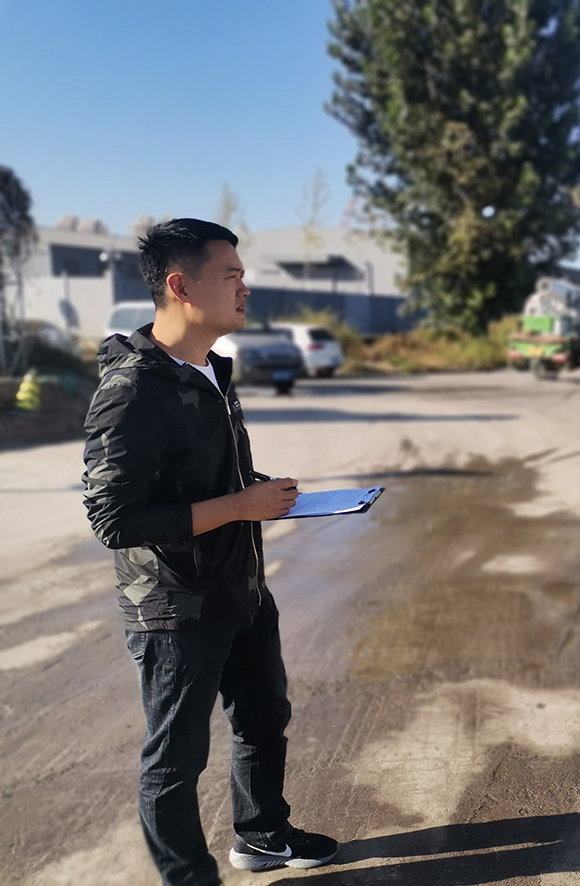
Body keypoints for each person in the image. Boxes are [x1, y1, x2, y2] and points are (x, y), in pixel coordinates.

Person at [82, 218, 337, 885]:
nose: (245, 288)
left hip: (239, 587)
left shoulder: (212, 371)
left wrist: (261, 492)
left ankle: (263, 836)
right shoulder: (133, 389)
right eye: (232, 276)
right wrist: (238, 506)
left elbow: (206, 480)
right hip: (175, 606)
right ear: (181, 285)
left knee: (263, 719)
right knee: (175, 759)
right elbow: (114, 518)